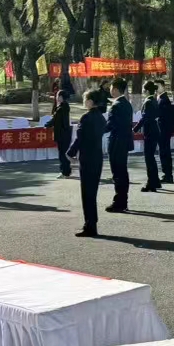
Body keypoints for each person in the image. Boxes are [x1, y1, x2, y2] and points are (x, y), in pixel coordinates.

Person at [66, 91, 107, 237]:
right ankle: (91, 223)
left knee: (87, 193)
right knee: (92, 192)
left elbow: (80, 138)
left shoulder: (86, 117)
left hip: (87, 158)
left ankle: (90, 225)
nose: (84, 101)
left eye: (85, 99)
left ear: (90, 101)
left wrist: (70, 153)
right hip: (97, 157)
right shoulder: (101, 117)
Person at [106, 79, 134, 212]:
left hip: (116, 143)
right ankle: (123, 200)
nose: (110, 90)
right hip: (124, 142)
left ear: (115, 89)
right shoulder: (127, 104)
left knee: (117, 173)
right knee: (123, 172)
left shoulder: (116, 105)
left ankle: (119, 202)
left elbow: (110, 125)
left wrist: (95, 129)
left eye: (111, 87)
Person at [139, 81, 162, 192]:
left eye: (144, 89)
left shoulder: (148, 102)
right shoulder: (154, 100)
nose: (143, 91)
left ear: (147, 91)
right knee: (151, 157)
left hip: (150, 132)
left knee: (149, 158)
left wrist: (135, 129)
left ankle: (151, 183)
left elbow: (144, 118)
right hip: (154, 131)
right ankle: (155, 181)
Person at [156, 83, 174, 184]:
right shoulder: (160, 98)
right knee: (164, 152)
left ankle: (168, 175)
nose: (156, 88)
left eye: (158, 86)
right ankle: (167, 174)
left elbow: (167, 114)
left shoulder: (164, 99)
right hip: (163, 129)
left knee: (164, 152)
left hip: (164, 130)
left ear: (163, 87)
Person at [51, 89, 74, 177]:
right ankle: (65, 171)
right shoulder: (61, 106)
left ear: (61, 97)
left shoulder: (62, 107)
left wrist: (48, 124)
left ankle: (65, 171)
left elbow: (55, 119)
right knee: (63, 153)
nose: (56, 97)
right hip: (63, 133)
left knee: (63, 154)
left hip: (63, 134)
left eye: (58, 96)